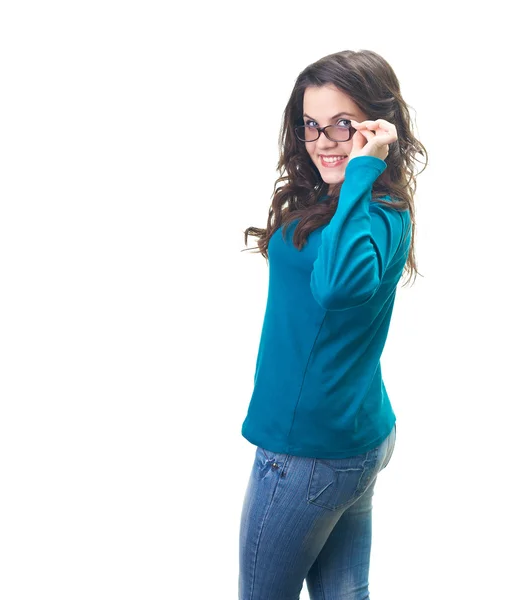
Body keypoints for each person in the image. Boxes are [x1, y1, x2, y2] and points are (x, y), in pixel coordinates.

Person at [238, 49, 428, 600]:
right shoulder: (370, 204)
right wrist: (355, 179)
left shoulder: (368, 209)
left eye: (344, 125)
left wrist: (363, 167)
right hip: (355, 431)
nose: (322, 141)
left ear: (378, 126)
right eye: (311, 126)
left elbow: (339, 286)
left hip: (307, 448)